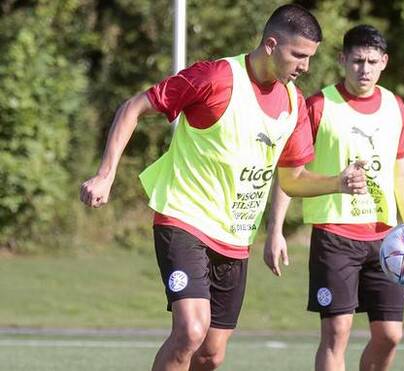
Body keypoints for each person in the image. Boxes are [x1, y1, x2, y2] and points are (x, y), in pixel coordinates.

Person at [80, 5, 368, 371]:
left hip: (236, 237)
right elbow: (134, 106)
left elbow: (292, 179)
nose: (305, 66)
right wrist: (106, 173)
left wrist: (337, 184)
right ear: (271, 45)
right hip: (184, 218)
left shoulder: (294, 104)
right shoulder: (216, 77)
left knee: (211, 355)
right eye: (298, 55)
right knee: (190, 330)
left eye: (310, 57)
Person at [264, 25, 404, 371]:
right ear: (342, 60)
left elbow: (402, 170)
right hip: (334, 236)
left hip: (385, 240)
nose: (364, 69)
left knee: (390, 334)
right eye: (357, 61)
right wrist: (275, 231)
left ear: (384, 63)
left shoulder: (395, 106)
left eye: (371, 61)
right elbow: (290, 171)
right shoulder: (319, 105)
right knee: (337, 330)